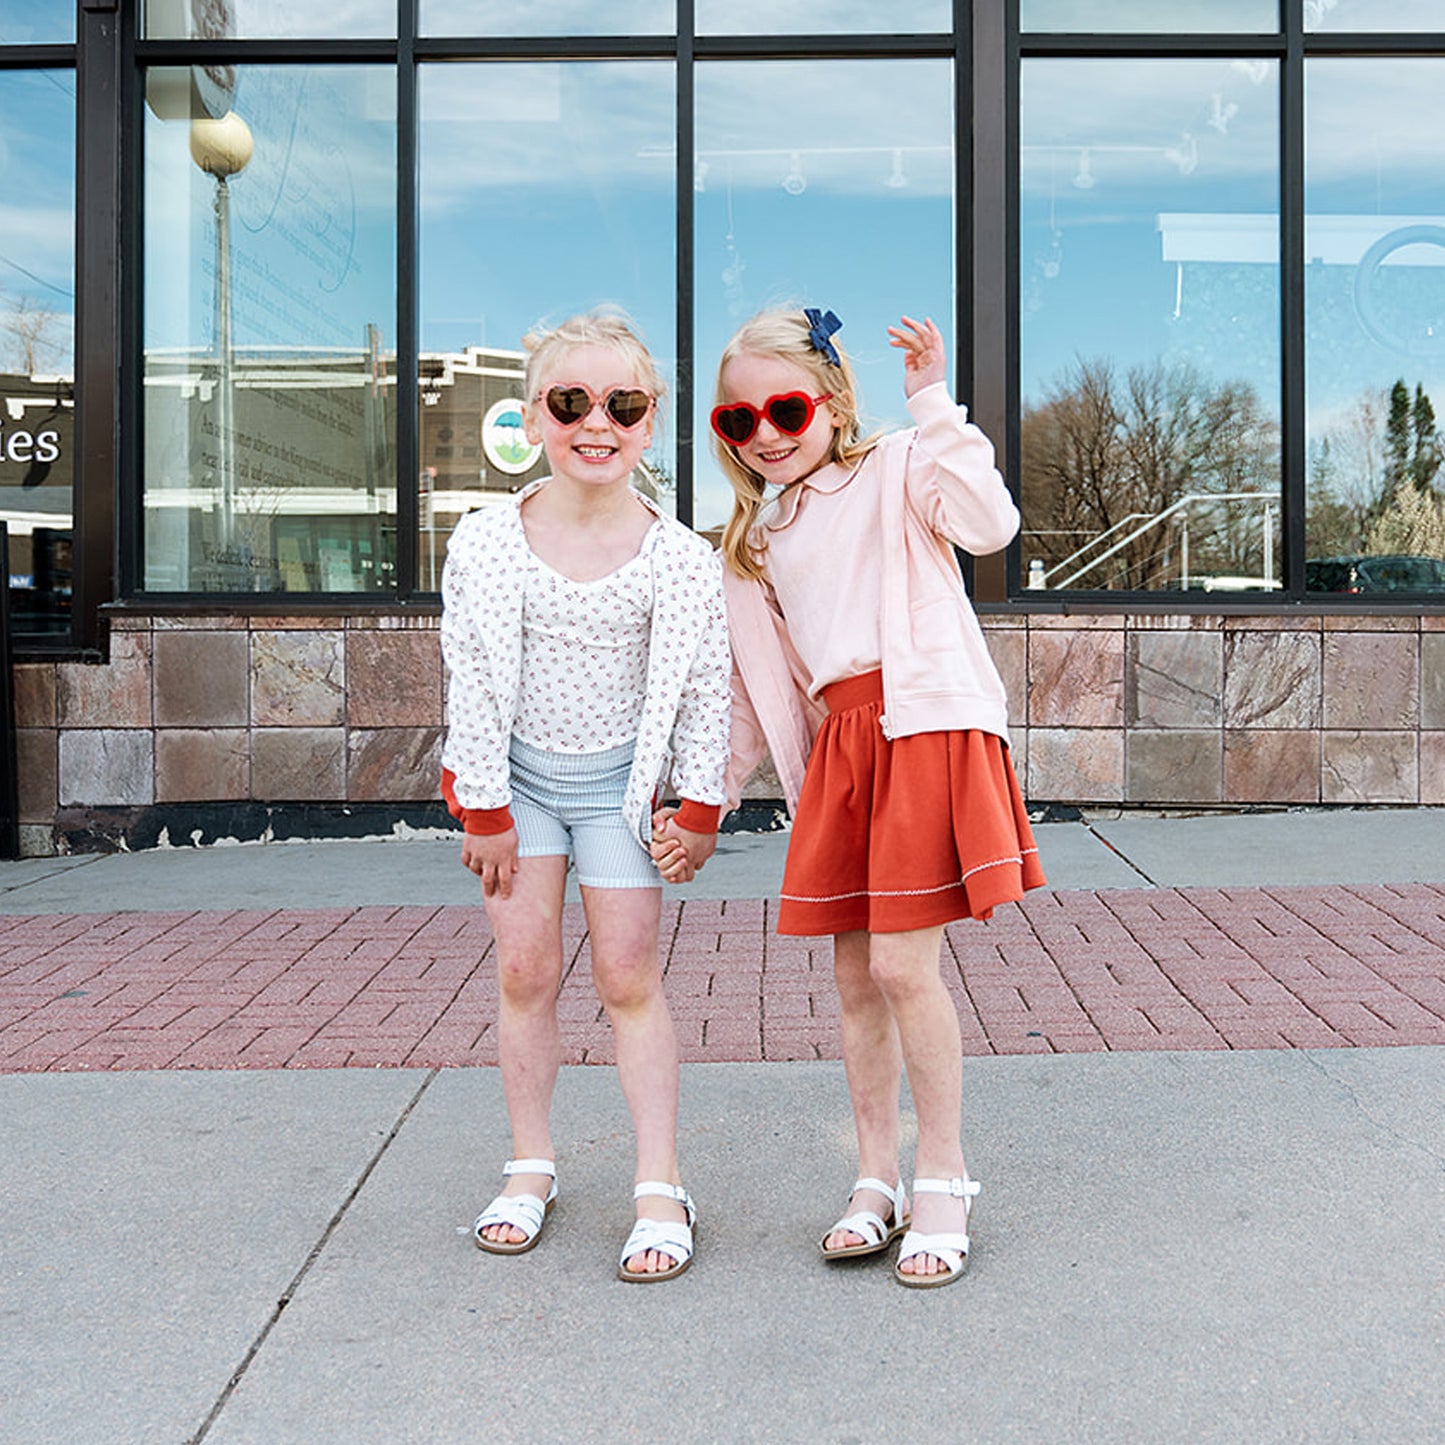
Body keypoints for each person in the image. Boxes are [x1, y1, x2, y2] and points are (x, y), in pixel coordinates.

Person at [657, 306, 1044, 1289]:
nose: (766, 433)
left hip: (917, 726)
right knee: (855, 981)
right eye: (737, 421)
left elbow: (989, 524)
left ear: (830, 403)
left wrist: (931, 399)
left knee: (908, 970)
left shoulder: (898, 466)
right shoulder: (751, 542)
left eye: (784, 407)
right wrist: (704, 805)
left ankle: (943, 1177)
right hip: (840, 753)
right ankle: (873, 1175)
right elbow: (753, 692)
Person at [440, 308, 728, 1282]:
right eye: (570, 401)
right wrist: (480, 805)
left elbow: (700, 684)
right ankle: (530, 1163)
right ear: (531, 416)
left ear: (649, 422)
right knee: (524, 967)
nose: (594, 421)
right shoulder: (486, 542)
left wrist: (695, 808)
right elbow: (470, 674)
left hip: (616, 788)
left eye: (621, 402)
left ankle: (659, 1180)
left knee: (625, 974)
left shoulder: (681, 559)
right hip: (517, 783)